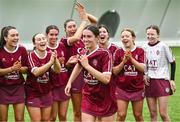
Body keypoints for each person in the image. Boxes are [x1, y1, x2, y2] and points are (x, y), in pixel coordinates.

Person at [65, 25, 117, 122]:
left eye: (89, 37)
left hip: (105, 98)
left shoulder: (105, 54)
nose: (85, 39)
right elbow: (79, 65)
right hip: (89, 96)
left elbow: (106, 79)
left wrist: (87, 66)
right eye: (84, 36)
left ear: (97, 38)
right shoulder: (83, 51)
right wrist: (69, 82)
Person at [60, 2, 97, 121]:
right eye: (69, 27)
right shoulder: (65, 40)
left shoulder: (84, 38)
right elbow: (75, 37)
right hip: (75, 78)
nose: (72, 28)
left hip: (88, 76)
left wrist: (84, 14)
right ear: (65, 29)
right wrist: (84, 21)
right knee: (78, 111)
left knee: (90, 109)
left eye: (74, 26)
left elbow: (95, 22)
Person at [143, 25, 176, 122]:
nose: (150, 36)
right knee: (153, 114)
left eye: (152, 34)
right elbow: (143, 65)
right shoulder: (144, 47)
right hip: (149, 82)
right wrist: (144, 75)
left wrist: (172, 80)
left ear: (158, 35)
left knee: (163, 113)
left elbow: (173, 63)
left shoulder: (163, 46)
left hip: (162, 81)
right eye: (148, 34)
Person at [25, 33, 61, 121]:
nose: (42, 41)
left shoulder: (50, 55)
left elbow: (57, 70)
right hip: (33, 93)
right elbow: (36, 72)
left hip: (46, 92)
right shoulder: (31, 55)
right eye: (39, 39)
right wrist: (49, 63)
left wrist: (55, 59)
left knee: (46, 120)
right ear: (34, 44)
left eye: (43, 38)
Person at [113, 28, 145, 121]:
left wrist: (131, 59)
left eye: (127, 36)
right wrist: (123, 61)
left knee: (138, 115)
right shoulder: (118, 52)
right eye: (122, 36)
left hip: (137, 88)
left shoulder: (140, 51)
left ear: (133, 38)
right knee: (121, 115)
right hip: (122, 88)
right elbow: (114, 71)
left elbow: (143, 69)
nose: (124, 38)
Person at [0, 26, 28, 122]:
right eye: (13, 35)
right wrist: (12, 68)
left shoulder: (22, 50)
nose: (16, 37)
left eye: (17, 35)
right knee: (3, 119)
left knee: (20, 119)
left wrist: (20, 68)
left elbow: (26, 69)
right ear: (5, 38)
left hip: (18, 87)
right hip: (2, 88)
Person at [45, 25, 70, 122]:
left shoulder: (62, 46)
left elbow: (66, 64)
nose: (54, 37)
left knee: (63, 116)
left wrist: (69, 62)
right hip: (52, 86)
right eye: (51, 34)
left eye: (56, 35)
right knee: (53, 117)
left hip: (63, 84)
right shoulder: (44, 49)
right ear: (46, 35)